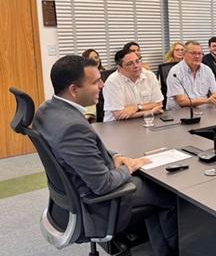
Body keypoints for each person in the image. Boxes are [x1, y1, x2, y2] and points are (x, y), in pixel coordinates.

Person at [33, 55, 178, 256]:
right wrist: (128, 167)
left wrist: (116, 155)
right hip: (97, 202)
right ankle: (173, 251)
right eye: (95, 82)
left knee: (153, 187)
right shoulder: (72, 128)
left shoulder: (48, 109)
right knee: (167, 193)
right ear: (74, 90)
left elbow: (87, 148)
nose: (102, 85)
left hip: (73, 193)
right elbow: (102, 185)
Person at [102, 49, 163, 122]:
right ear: (119, 67)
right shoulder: (112, 82)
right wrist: (150, 112)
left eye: (137, 61)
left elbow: (158, 104)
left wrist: (137, 107)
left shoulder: (150, 76)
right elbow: (119, 115)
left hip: (144, 122)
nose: (136, 66)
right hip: (117, 125)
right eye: (130, 63)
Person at [166, 40, 216, 110]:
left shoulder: (207, 70)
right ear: (184, 54)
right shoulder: (175, 72)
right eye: (193, 53)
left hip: (203, 111)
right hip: (179, 113)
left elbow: (215, 92)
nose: (197, 56)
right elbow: (182, 101)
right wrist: (207, 100)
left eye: (200, 53)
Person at [81, 49, 105, 121]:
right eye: (91, 58)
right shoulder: (83, 75)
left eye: (96, 57)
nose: (95, 60)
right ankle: (90, 116)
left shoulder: (105, 72)